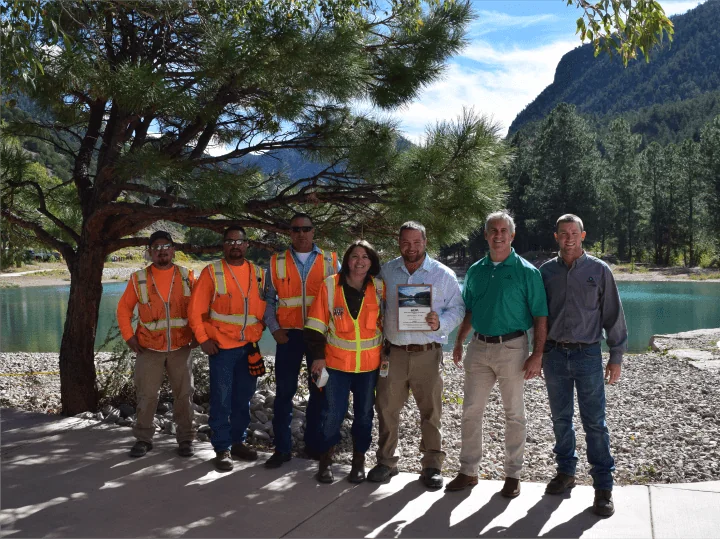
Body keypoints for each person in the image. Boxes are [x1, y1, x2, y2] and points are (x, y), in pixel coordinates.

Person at [447, 211, 548, 498]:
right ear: (486, 234)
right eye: (493, 230)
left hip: (513, 348)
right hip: (478, 347)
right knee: (470, 411)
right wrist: (459, 341)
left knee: (514, 414)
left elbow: (541, 315)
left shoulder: (528, 272)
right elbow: (469, 309)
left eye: (504, 230)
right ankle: (468, 471)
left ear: (512, 236)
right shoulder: (477, 270)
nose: (499, 235)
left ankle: (513, 475)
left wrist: (537, 354)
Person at [539, 214, 627, 517]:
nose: (568, 238)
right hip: (554, 356)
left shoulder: (599, 271)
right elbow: (538, 318)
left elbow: (613, 314)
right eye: (563, 233)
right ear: (556, 237)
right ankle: (565, 473)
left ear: (583, 235)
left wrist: (616, 355)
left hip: (588, 354)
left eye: (573, 233)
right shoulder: (546, 272)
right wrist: (536, 353)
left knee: (594, 422)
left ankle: (603, 485)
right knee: (561, 419)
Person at [367, 221, 465, 489]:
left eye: (417, 242)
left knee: (431, 411)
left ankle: (432, 464)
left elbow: (458, 309)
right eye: (406, 242)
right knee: (386, 408)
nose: (411, 248)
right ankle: (386, 461)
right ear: (399, 242)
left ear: (426, 241)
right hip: (393, 354)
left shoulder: (442, 274)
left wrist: (439, 322)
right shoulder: (386, 271)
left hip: (427, 354)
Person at [304, 240, 384, 484]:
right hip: (336, 365)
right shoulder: (330, 286)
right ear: (347, 260)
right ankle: (326, 460)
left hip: (368, 367)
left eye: (365, 257)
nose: (360, 261)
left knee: (363, 416)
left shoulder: (380, 288)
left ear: (372, 262)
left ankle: (358, 462)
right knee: (332, 414)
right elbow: (316, 325)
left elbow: (391, 322)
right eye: (355, 256)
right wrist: (318, 358)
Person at [188, 226, 267, 472]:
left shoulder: (258, 273)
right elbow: (195, 311)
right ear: (224, 245)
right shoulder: (212, 272)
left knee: (243, 400)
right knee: (221, 399)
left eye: (239, 241)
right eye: (230, 241)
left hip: (249, 348)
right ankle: (222, 448)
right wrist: (203, 339)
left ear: (247, 245)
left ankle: (237, 442)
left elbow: (266, 306)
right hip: (221, 348)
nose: (235, 245)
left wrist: (263, 326)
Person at [264, 213, 338, 467]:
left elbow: (339, 299)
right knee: (284, 393)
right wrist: (274, 330)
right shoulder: (276, 262)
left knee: (320, 390)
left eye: (306, 228)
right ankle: (282, 449)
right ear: (290, 233)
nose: (301, 233)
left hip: (319, 339)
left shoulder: (330, 261)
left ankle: (314, 446)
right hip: (289, 337)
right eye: (296, 229)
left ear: (313, 231)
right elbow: (268, 301)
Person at [116, 231, 197, 458]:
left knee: (184, 395)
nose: (162, 250)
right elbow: (123, 310)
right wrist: (129, 337)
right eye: (157, 247)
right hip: (148, 348)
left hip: (181, 347)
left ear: (173, 250)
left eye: (166, 246)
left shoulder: (186, 276)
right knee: (147, 395)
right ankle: (143, 439)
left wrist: (200, 334)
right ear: (150, 252)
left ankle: (186, 439)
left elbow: (199, 308)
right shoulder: (139, 278)